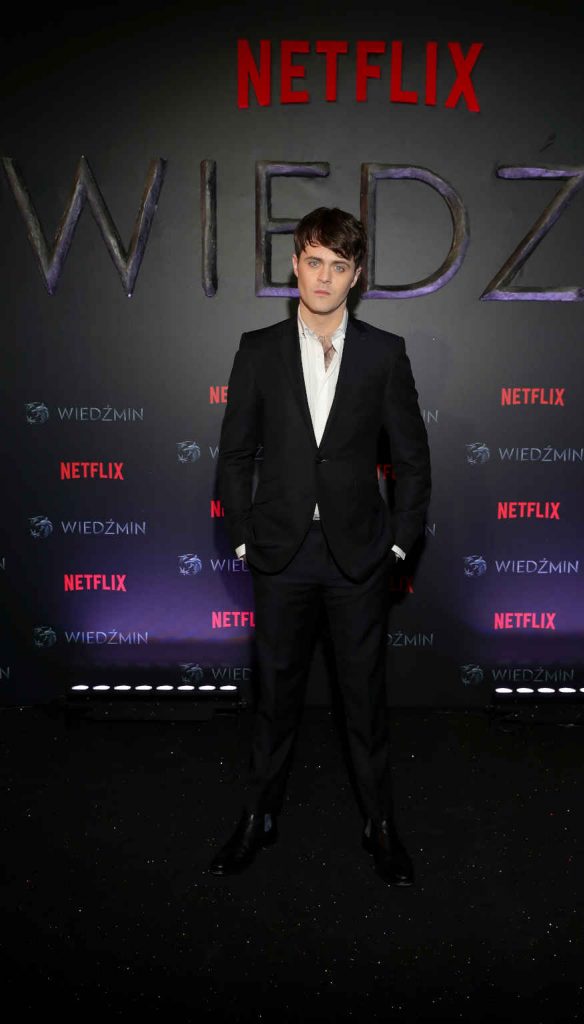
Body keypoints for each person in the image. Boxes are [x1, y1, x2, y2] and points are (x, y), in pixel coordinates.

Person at [211, 207, 431, 886]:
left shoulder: (384, 353)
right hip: (279, 554)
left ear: (355, 275)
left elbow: (413, 461)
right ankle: (258, 815)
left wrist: (398, 547)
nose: (324, 277)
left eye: (339, 266)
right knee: (273, 698)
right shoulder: (257, 350)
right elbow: (234, 454)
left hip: (357, 557)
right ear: (295, 266)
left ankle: (379, 822)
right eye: (314, 261)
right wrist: (243, 540)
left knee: (363, 700)